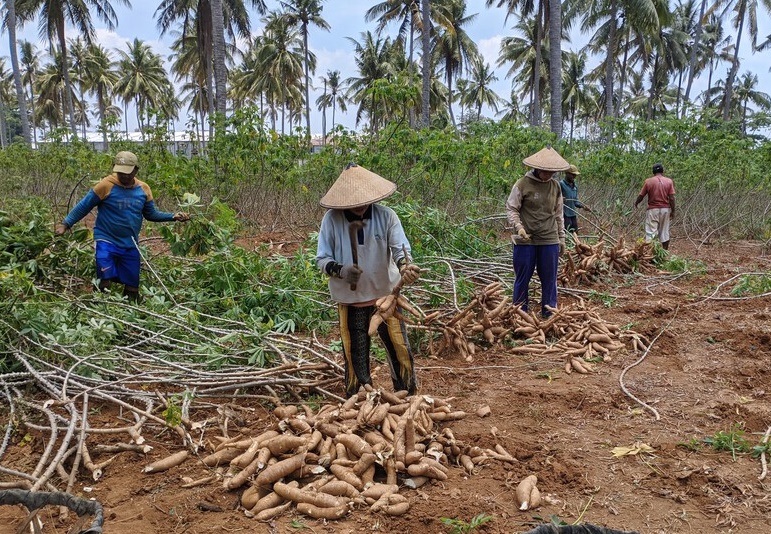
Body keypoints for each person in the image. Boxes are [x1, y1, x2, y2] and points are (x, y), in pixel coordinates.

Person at [316, 163, 421, 398]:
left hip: (386, 297)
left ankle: (406, 397)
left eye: (364, 200)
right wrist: (341, 270)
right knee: (356, 354)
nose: (360, 205)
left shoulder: (386, 216)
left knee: (399, 349)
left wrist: (406, 266)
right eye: (354, 202)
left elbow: (400, 248)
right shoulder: (332, 220)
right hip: (351, 300)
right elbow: (322, 259)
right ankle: (360, 399)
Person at [55, 151, 189, 301]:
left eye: (128, 173)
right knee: (104, 278)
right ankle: (99, 306)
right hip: (106, 239)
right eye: (121, 172)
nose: (124, 176)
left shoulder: (143, 189)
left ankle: (128, 314)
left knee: (132, 285)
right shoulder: (105, 185)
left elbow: (151, 214)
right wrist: (65, 224)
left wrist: (172, 216)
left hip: (130, 243)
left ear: (136, 170)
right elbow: (84, 206)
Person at [506, 146, 569, 318]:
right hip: (526, 240)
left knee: (549, 280)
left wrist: (561, 238)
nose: (548, 175)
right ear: (538, 168)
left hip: (549, 239)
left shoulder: (555, 187)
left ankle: (549, 314)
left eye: (552, 173)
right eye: (545, 172)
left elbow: (558, 214)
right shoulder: (522, 184)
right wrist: (519, 228)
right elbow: (512, 208)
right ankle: (520, 314)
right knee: (522, 279)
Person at [634, 162, 676, 250]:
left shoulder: (648, 181)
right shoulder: (669, 181)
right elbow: (671, 198)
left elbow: (641, 195)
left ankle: (650, 255)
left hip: (653, 210)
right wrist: (673, 210)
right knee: (664, 232)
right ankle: (664, 254)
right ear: (662, 171)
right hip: (665, 209)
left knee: (650, 233)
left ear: (653, 172)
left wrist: (636, 203)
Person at [560, 164, 592, 232]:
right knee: (566, 232)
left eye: (575, 175)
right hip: (564, 214)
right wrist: (560, 199)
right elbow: (555, 199)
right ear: (567, 173)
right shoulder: (561, 184)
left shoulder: (575, 186)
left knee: (575, 232)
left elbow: (575, 202)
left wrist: (583, 206)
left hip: (572, 213)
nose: (574, 177)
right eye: (572, 174)